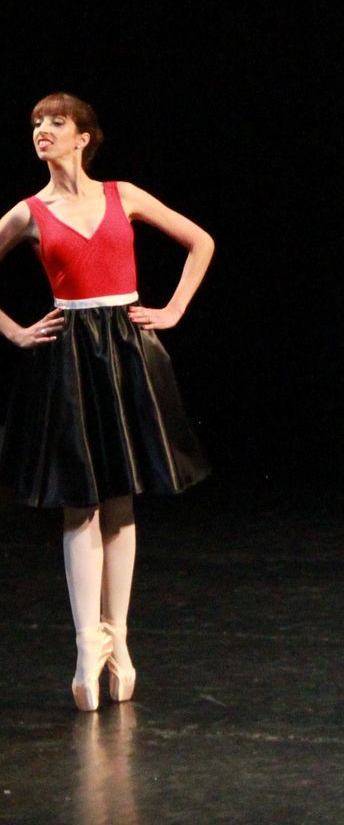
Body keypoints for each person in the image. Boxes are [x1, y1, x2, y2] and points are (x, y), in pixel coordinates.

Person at [0, 93, 215, 709]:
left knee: (121, 500)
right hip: (69, 360)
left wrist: (173, 309)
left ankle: (118, 639)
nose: (42, 131)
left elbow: (199, 242)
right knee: (80, 502)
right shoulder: (29, 212)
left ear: (83, 136)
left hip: (124, 351)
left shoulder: (125, 195)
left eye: (55, 122)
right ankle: (84, 646)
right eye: (36, 123)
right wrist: (14, 331)